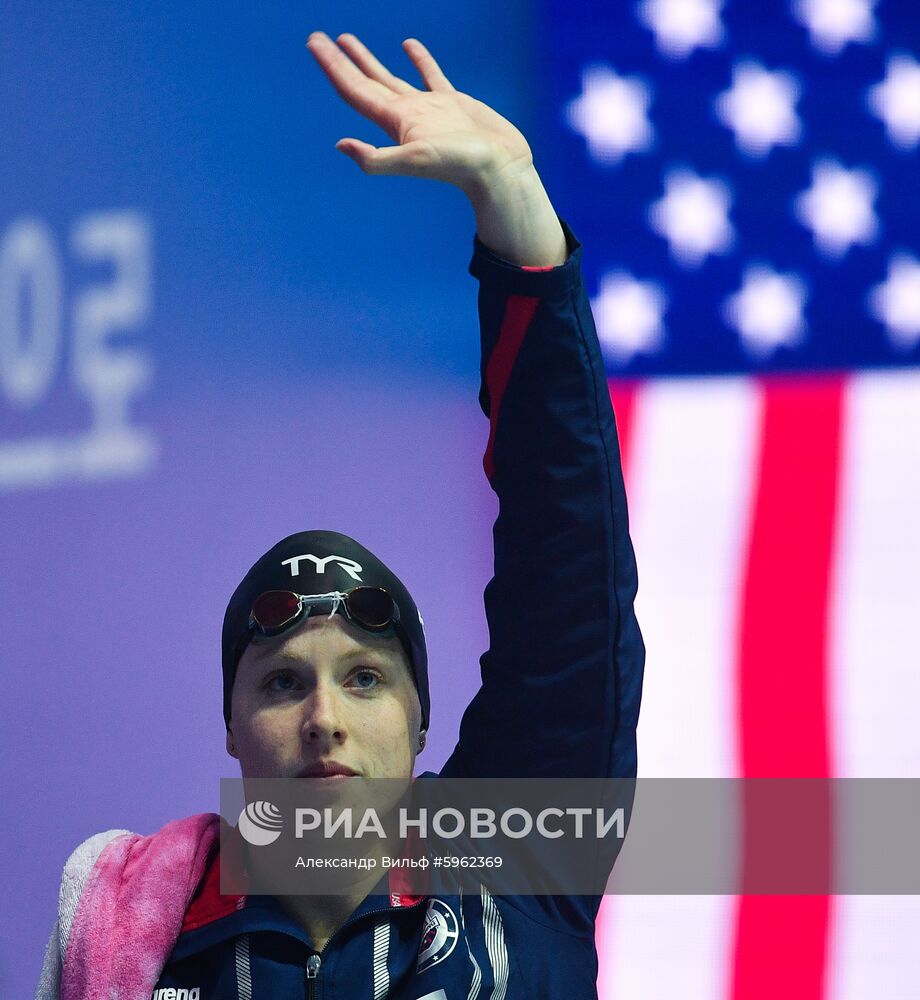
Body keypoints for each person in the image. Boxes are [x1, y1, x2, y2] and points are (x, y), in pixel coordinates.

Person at [36, 30, 644, 999]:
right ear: (229, 723)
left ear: (420, 718)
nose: (324, 721)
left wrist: (515, 219)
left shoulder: (516, 871)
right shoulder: (127, 935)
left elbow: (567, 568)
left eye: (364, 678)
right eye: (281, 683)